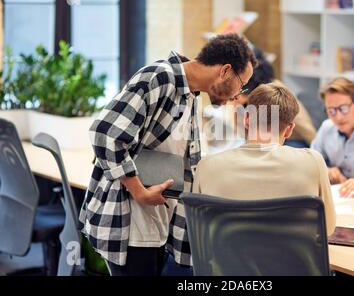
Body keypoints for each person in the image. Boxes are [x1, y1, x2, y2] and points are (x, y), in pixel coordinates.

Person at [79, 33, 257, 276]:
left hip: (156, 219)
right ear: (225, 71)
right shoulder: (159, 78)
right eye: (242, 84)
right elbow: (105, 133)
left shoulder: (191, 95)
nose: (239, 95)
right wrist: (139, 192)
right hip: (131, 221)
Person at [193, 83, 336, 236]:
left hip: (225, 259)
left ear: (246, 119)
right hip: (290, 259)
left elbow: (197, 229)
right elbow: (327, 227)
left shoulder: (207, 166)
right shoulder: (313, 162)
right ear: (289, 130)